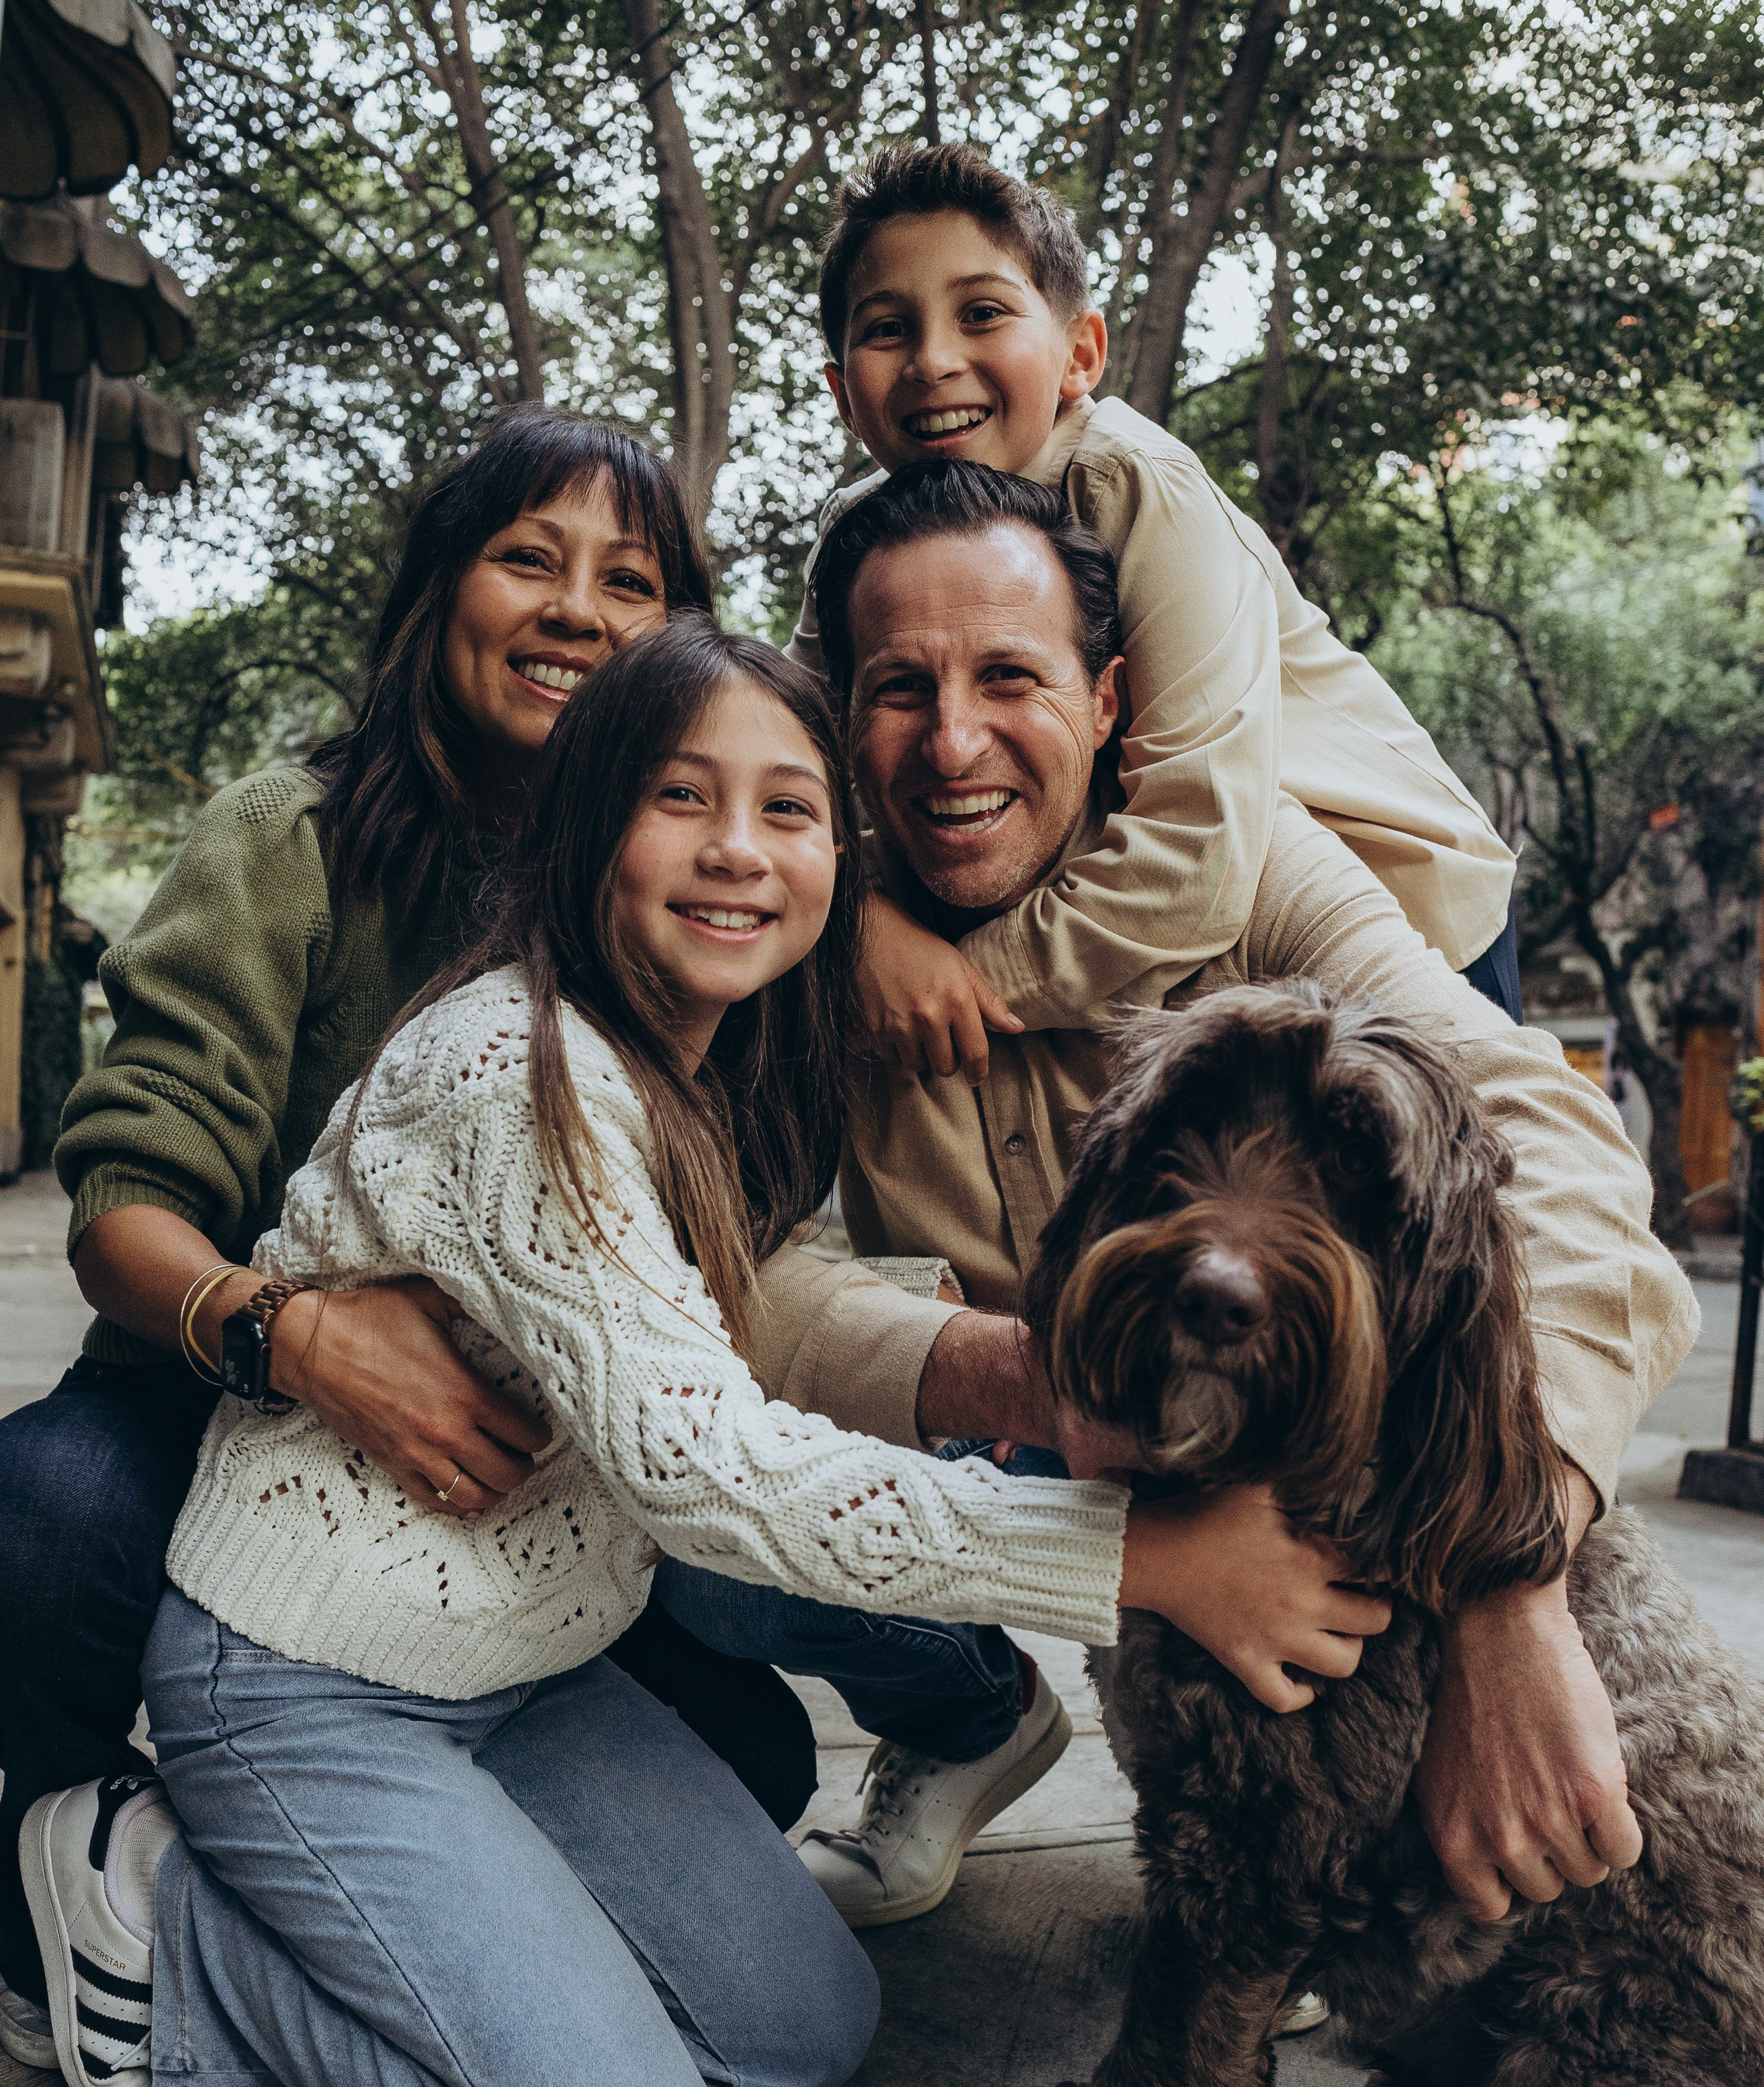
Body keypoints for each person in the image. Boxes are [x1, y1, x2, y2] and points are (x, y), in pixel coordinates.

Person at [20, 621, 1390, 2087]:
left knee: (803, 2027)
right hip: (303, 1677)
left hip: (522, 1672)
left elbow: (785, 1336)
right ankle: (146, 1929)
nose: (741, 849)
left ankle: (414, 1942)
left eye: (791, 809)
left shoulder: (721, 1068)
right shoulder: (510, 1074)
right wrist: (1138, 1558)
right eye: (685, 799)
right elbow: (708, 1473)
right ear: (589, 824)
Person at [663, 465, 1699, 1932]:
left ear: (1103, 700)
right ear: (841, 722)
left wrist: (1507, 1583)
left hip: (1288, 1429)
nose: (953, 740)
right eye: (899, 688)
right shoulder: (789, 910)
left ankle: (1329, 1852)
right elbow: (706, 1272)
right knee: (702, 1562)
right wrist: (1018, 1379)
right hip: (1026, 1436)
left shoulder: (1256, 868)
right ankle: (968, 1715)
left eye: (1007, 677)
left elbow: (1564, 1151)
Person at [0, 409, 814, 2065]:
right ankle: (73, 1862)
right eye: (531, 557)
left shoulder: (677, 888)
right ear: (440, 594)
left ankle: (369, 1868)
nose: (580, 608)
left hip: (520, 1462)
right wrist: (287, 1330)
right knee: (49, 1505)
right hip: (217, 1378)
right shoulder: (281, 835)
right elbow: (124, 1200)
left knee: (758, 1754)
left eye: (631, 577)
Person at [790, 139, 1526, 1089]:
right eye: (888, 328)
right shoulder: (856, 544)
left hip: (1389, 906)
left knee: (1453, 1191)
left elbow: (1195, 855)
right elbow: (796, 775)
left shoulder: (1137, 484)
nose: (934, 360)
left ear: (1079, 356)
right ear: (843, 390)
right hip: (1171, 939)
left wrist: (956, 981)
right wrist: (864, 925)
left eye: (981, 313)